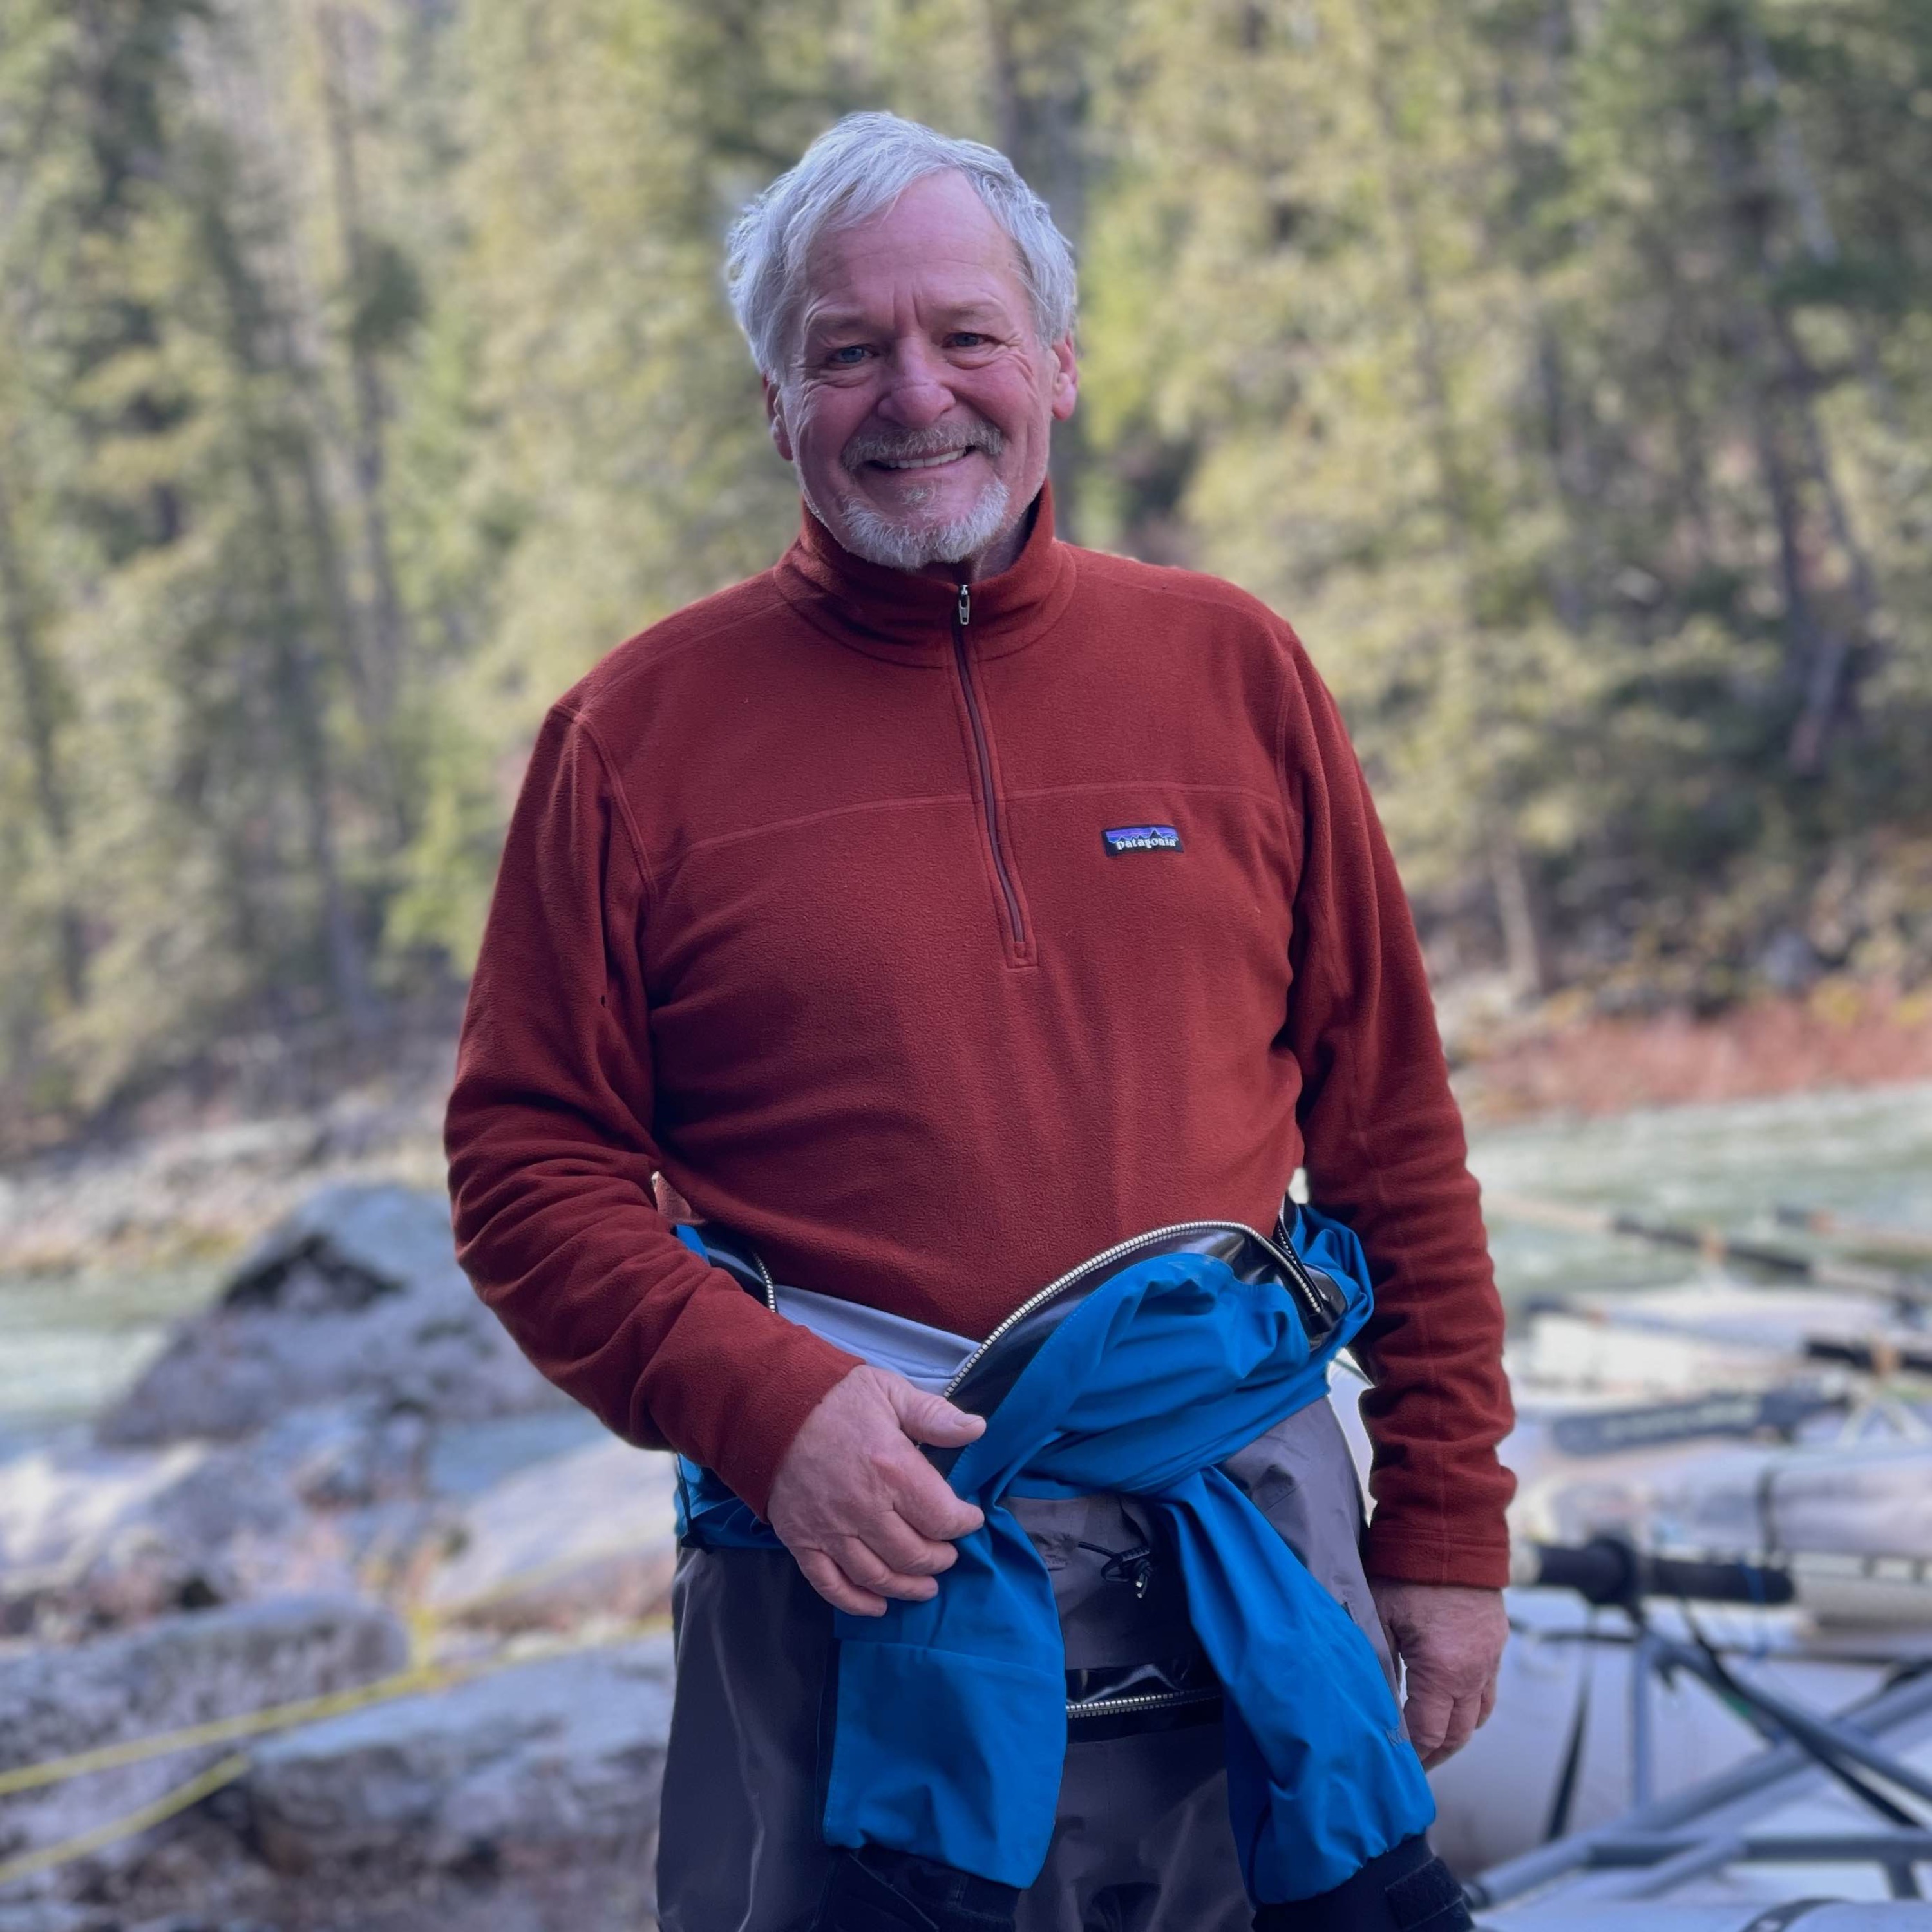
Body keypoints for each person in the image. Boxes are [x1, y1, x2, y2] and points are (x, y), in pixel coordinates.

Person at [444, 110, 1515, 1932]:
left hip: (1254, 1550)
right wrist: (769, 1411)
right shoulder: (629, 741)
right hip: (846, 1574)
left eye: (967, 336)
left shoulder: (1236, 670)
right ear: (776, 403)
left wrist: (1444, 1526)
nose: (915, 393)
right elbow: (523, 1170)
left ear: (1058, 367)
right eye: (847, 350)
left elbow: (1391, 1126)